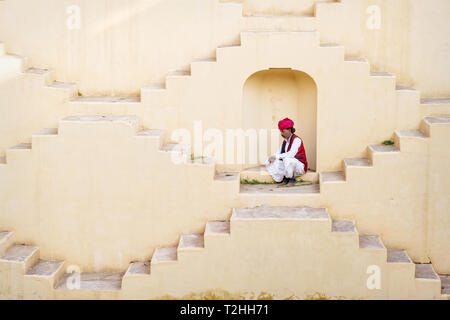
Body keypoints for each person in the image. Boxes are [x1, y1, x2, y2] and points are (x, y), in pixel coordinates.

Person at [265, 118, 308, 187]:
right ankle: (284, 179)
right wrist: (273, 157)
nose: (281, 134)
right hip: (289, 163)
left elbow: (291, 154)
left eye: (283, 131)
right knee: (269, 161)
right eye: (280, 131)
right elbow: (278, 153)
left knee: (288, 159)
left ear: (289, 130)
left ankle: (291, 179)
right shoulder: (285, 141)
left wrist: (277, 156)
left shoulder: (296, 140)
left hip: (299, 166)